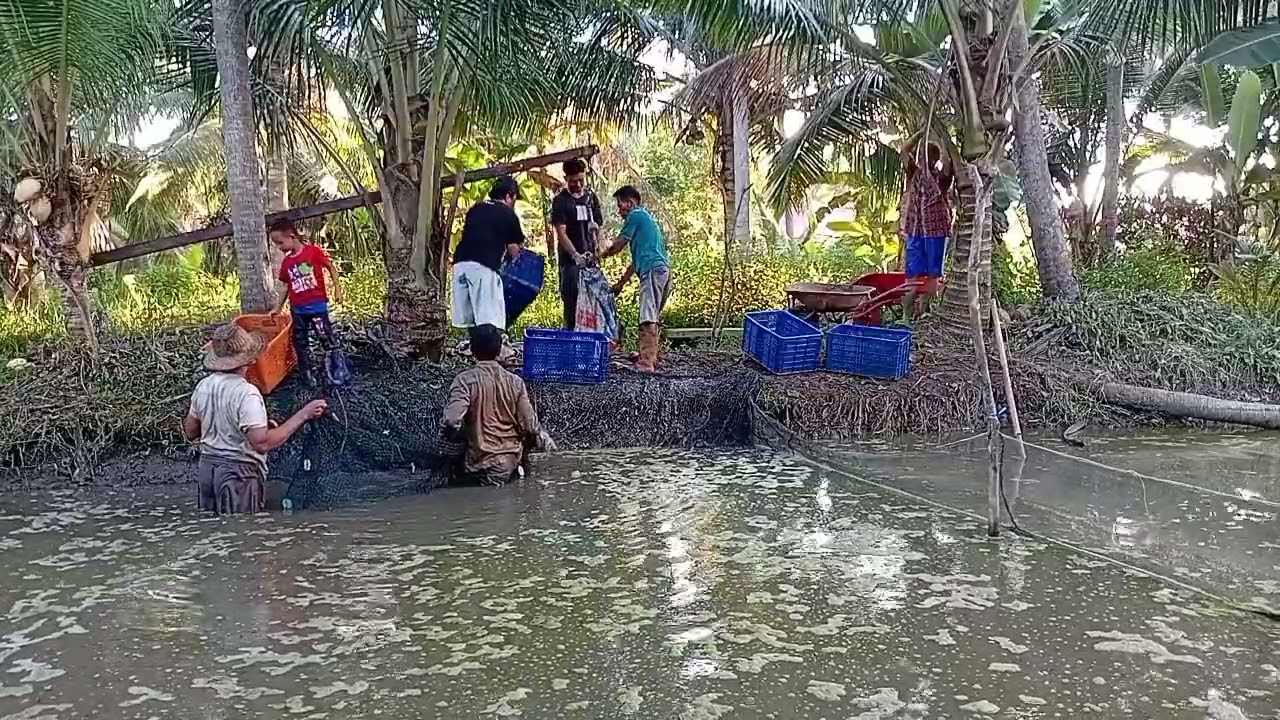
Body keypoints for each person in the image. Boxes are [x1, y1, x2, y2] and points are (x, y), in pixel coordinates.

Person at [183, 323, 328, 514]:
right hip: (237, 474)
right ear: (250, 361)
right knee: (242, 532)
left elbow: (191, 431)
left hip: (208, 469)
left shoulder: (204, 386)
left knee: (213, 529)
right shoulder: (247, 393)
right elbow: (262, 443)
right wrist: (304, 414)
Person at [442, 324, 553, 485]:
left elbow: (452, 420)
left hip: (477, 465)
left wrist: (456, 438)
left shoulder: (464, 381)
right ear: (499, 349)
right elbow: (530, 426)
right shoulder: (516, 382)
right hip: (510, 463)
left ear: (472, 350)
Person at [599, 185, 671, 372]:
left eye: (620, 205)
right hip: (660, 270)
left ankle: (646, 362)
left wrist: (599, 255)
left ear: (630, 203)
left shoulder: (636, 215)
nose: (619, 211)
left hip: (653, 271)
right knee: (653, 315)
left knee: (647, 317)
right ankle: (652, 355)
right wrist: (620, 284)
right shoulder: (645, 223)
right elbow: (634, 264)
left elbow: (618, 245)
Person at [270, 220, 343, 386]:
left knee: (326, 337)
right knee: (300, 342)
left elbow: (330, 267)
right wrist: (278, 308)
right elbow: (286, 287)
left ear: (292, 236)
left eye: (280, 242)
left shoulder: (313, 252)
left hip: (317, 307)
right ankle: (307, 374)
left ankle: (336, 370)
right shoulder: (287, 263)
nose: (279, 247)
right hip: (298, 310)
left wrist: (338, 290)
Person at [452, 175, 525, 331]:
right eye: (514, 199)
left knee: (470, 320)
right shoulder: (508, 214)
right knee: (488, 321)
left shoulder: (475, 209)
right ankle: (489, 353)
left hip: (460, 264)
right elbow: (514, 250)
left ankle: (474, 349)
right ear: (508, 196)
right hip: (483, 266)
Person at [898, 137, 953, 318]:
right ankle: (906, 317)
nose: (924, 159)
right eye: (922, 155)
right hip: (915, 230)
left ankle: (922, 311)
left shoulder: (941, 178)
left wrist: (943, 142)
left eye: (928, 156)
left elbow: (948, 162)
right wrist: (920, 134)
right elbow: (904, 151)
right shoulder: (914, 172)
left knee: (932, 276)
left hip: (935, 232)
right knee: (912, 277)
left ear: (934, 159)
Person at [551, 158, 604, 329]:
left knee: (593, 305)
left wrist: (598, 252)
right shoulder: (561, 201)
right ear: (566, 178)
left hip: (591, 261)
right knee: (572, 304)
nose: (578, 185)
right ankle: (571, 338)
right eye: (574, 181)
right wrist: (575, 255)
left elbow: (598, 228)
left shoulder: (591, 198)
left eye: (581, 180)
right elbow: (561, 232)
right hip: (571, 263)